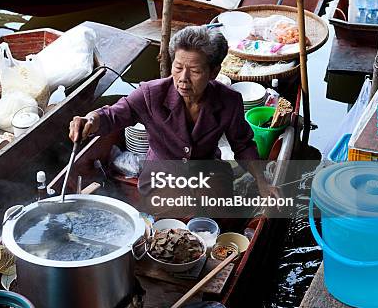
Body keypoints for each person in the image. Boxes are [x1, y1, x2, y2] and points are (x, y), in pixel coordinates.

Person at [69, 26, 275, 201]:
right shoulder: (151, 94)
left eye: (194, 71)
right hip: (160, 180)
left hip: (208, 175)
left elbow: (243, 145)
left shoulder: (229, 101)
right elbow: (112, 115)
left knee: (217, 225)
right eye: (178, 67)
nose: (183, 78)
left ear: (213, 72)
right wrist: (90, 120)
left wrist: (262, 182)